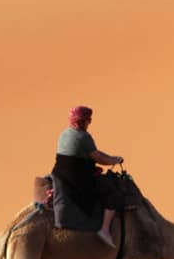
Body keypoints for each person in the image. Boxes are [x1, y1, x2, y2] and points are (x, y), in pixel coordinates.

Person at [51, 105, 125, 248]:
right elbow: (98, 157)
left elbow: (88, 154)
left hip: (60, 176)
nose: (88, 123)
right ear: (83, 121)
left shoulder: (65, 134)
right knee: (113, 194)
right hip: (77, 181)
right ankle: (104, 230)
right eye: (88, 120)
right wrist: (115, 160)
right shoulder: (83, 136)